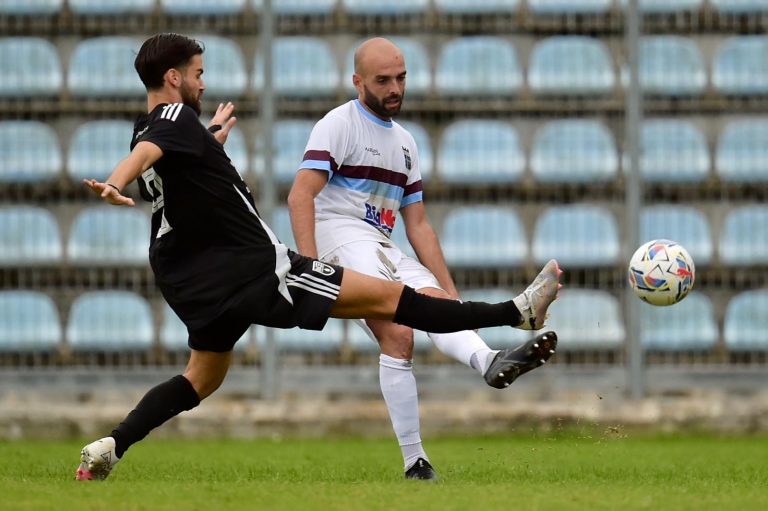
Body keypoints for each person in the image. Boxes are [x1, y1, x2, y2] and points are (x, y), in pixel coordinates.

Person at [74, 33, 561, 482]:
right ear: (174, 78)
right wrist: (115, 181)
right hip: (252, 269)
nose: (203, 83)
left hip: (189, 281)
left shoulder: (165, 128)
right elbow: (147, 152)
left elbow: (169, 164)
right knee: (396, 302)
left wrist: (212, 141)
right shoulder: (173, 120)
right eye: (198, 74)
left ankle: (112, 445)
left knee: (200, 379)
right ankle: (513, 313)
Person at [287, 37, 562, 480]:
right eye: (383, 80)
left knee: (430, 308)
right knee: (399, 333)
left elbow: (418, 225)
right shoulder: (337, 124)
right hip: (339, 235)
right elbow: (301, 195)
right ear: (357, 82)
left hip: (380, 242)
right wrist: (312, 269)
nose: (394, 88)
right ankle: (415, 459)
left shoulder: (406, 143)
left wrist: (454, 302)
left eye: (400, 78)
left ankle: (489, 363)